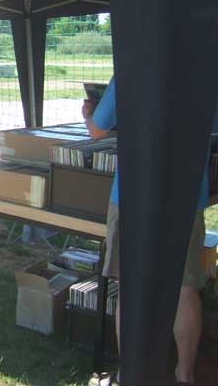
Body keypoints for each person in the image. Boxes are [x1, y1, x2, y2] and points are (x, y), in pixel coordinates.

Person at [83, 76, 217, 385]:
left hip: (132, 194)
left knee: (129, 286)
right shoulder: (205, 68)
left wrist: (89, 112)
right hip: (187, 193)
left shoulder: (131, 65)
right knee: (185, 288)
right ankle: (185, 373)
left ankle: (130, 371)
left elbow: (96, 130)